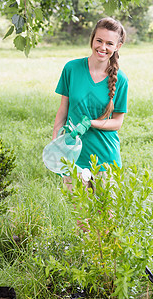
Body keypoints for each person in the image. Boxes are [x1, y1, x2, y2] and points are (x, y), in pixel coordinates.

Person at [52, 17, 128, 191]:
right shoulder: (71, 69)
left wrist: (91, 123)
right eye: (99, 40)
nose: (102, 47)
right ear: (92, 39)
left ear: (117, 47)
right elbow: (63, 109)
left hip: (106, 157)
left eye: (109, 43)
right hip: (74, 154)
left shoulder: (121, 80)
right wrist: (56, 144)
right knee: (81, 217)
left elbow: (118, 122)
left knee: (107, 217)